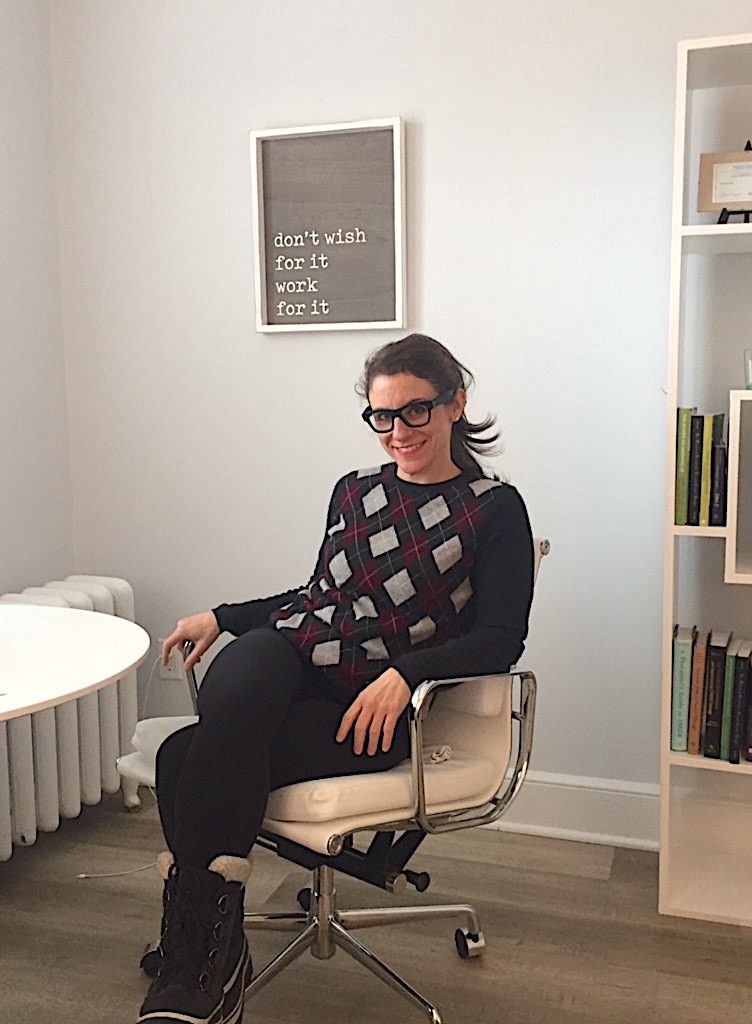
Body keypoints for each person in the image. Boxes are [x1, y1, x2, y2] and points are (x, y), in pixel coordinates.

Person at [136, 332, 534, 1024]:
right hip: (297, 654)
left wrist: (405, 674)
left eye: (416, 410)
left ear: (455, 404)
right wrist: (222, 617)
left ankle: (198, 955)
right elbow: (319, 596)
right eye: (382, 415)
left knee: (181, 756)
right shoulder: (355, 490)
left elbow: (501, 639)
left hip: (374, 707)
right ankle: (203, 954)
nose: (398, 431)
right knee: (240, 677)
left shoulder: (494, 509)